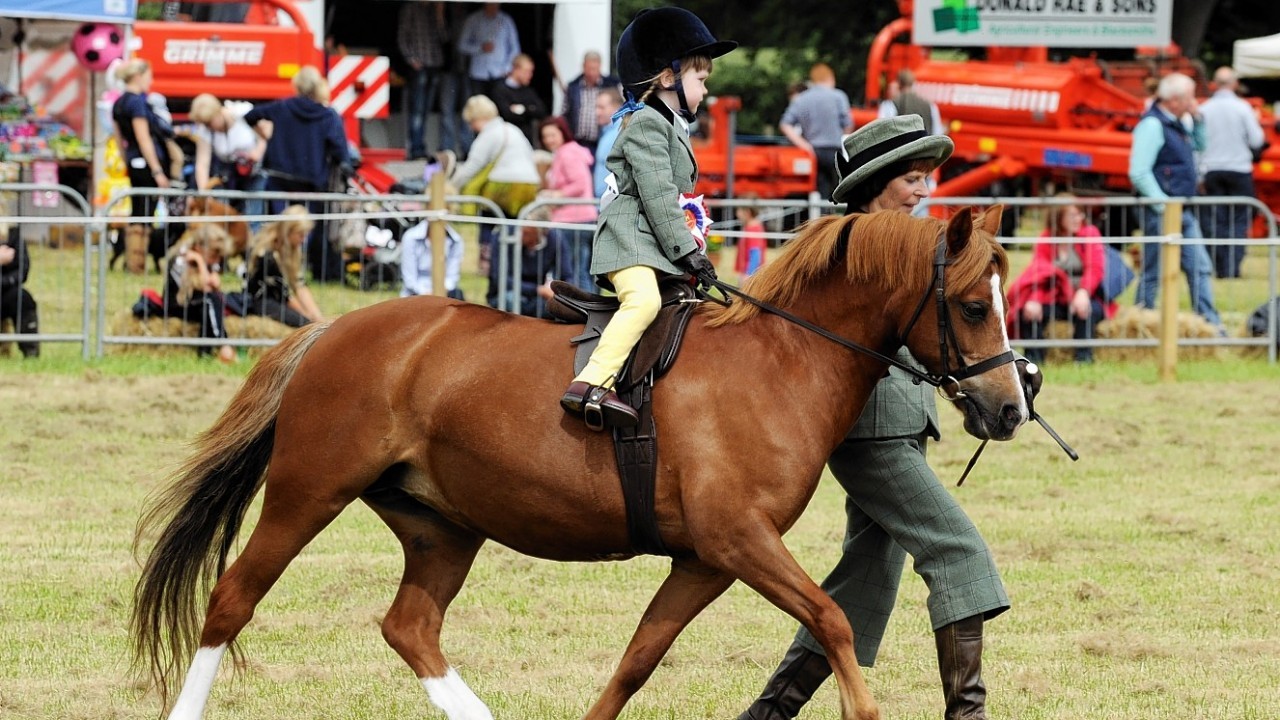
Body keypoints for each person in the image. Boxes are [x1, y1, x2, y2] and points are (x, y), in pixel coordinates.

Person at [738, 115, 1034, 720]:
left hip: (898, 420)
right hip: (873, 430)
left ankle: (768, 715)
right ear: (876, 181)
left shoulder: (899, 243)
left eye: (927, 178)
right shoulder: (864, 248)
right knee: (958, 553)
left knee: (865, 582)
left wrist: (995, 376)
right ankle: (968, 715)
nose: (924, 190)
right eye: (913, 178)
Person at [559, 7, 735, 430]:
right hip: (630, 240)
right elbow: (658, 196)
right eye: (701, 80)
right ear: (669, 77)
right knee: (644, 302)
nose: (706, 90)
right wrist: (687, 252)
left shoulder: (670, 124)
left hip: (652, 243)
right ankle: (590, 382)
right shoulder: (645, 125)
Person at [1128, 72, 1224, 333]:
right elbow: (1139, 171)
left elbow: (1201, 146)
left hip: (1182, 209)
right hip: (1162, 212)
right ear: (1175, 100)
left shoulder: (1180, 123)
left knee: (1199, 267)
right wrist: (1164, 205)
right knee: (1154, 271)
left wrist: (1199, 120)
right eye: (1190, 97)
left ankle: (1212, 325)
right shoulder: (1152, 125)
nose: (1194, 102)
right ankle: (1140, 324)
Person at [244, 66, 350, 283]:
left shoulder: (282, 106)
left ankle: (274, 266)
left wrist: (265, 135)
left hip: (278, 177)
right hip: (310, 181)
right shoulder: (327, 115)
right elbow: (340, 151)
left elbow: (250, 115)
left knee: (278, 225)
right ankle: (301, 270)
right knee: (307, 229)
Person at [1007, 196, 1110, 364]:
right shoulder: (1046, 239)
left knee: (1087, 311)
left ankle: (1084, 360)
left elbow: (1096, 269)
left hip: (1086, 295)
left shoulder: (1089, 233)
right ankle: (1034, 362)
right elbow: (1039, 275)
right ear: (1058, 217)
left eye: (1080, 215)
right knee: (1027, 312)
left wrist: (1083, 292)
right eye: (1073, 215)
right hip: (1056, 296)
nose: (1079, 219)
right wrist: (1034, 300)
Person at [1198, 66, 1266, 279]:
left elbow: (1197, 144)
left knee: (1215, 221)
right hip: (1239, 170)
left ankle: (1217, 266)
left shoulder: (1205, 109)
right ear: (1235, 84)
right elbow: (1257, 139)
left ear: (1214, 84)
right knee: (1239, 220)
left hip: (1211, 169)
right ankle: (1232, 268)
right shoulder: (1243, 108)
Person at [111, 59, 175, 274]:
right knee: (146, 214)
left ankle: (133, 261)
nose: (151, 80)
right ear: (138, 76)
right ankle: (137, 263)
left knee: (137, 212)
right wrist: (157, 170)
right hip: (147, 164)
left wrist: (127, 161)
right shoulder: (137, 102)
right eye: (149, 75)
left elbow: (120, 140)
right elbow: (144, 137)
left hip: (133, 162)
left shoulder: (118, 103)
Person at [185, 93, 268, 230]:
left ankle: (251, 247)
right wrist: (204, 192)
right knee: (222, 216)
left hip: (254, 171)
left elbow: (266, 133)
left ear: (218, 112)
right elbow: (202, 164)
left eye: (210, 122)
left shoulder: (242, 112)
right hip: (228, 174)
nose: (209, 127)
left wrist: (257, 152)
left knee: (252, 215)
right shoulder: (205, 131)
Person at [236, 205, 326, 328]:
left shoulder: (292, 250)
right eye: (301, 235)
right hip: (260, 301)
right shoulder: (267, 253)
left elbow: (300, 286)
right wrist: (310, 319)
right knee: (305, 325)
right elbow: (285, 296)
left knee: (311, 323)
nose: (303, 240)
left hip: (278, 300)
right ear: (288, 231)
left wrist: (319, 317)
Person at [161, 224, 236, 364]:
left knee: (212, 302)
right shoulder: (180, 259)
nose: (217, 261)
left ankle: (205, 352)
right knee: (209, 302)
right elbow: (206, 286)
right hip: (176, 303)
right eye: (214, 256)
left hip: (196, 302)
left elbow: (214, 285)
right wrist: (201, 262)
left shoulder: (210, 259)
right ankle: (223, 344)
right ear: (199, 247)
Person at [537, 115, 597, 291]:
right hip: (575, 219)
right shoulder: (565, 152)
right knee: (578, 269)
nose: (549, 140)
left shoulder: (568, 153)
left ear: (563, 133)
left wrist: (557, 194)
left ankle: (586, 312)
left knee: (576, 271)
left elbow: (580, 183)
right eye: (545, 136)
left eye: (552, 135)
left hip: (574, 220)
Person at [779, 62, 852, 203]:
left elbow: (785, 124)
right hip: (834, 151)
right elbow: (848, 124)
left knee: (819, 193)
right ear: (830, 78)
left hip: (812, 152)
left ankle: (820, 220)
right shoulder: (838, 96)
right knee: (839, 191)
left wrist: (803, 144)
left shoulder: (802, 99)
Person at [486, 205, 565, 317]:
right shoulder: (504, 236)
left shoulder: (555, 239)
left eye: (527, 233)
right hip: (507, 293)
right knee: (511, 300)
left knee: (554, 306)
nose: (521, 234)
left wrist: (558, 291)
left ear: (541, 233)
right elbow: (500, 279)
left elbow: (567, 274)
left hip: (538, 296)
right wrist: (538, 290)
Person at [397, 0, 449, 161]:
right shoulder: (410, 8)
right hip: (419, 65)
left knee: (426, 110)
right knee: (417, 110)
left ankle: (421, 146)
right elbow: (402, 35)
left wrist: (440, 16)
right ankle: (415, 149)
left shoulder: (435, 10)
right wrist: (411, 59)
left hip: (435, 63)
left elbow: (446, 37)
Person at [561, 50, 622, 154]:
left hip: (601, 139)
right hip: (578, 142)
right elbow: (565, 112)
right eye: (589, 69)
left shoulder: (611, 84)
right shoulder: (573, 86)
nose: (591, 73)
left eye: (595, 69)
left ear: (600, 66)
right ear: (583, 67)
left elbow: (621, 108)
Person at [457, 3, 520, 102]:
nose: (493, 6)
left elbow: (515, 47)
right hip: (478, 73)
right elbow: (462, 45)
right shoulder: (473, 19)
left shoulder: (506, 20)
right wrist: (480, 48)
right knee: (478, 105)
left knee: (499, 105)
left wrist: (508, 68)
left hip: (500, 73)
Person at [399, 218, 466, 300]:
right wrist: (427, 294)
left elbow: (452, 277)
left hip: (445, 295)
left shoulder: (456, 240)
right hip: (415, 296)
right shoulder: (410, 237)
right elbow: (410, 280)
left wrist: (440, 292)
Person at [490, 53, 547, 145]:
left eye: (531, 72)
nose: (530, 75)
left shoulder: (529, 91)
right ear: (515, 69)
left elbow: (541, 111)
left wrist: (522, 109)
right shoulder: (500, 90)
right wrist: (529, 110)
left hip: (526, 139)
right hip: (506, 140)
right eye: (526, 71)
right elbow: (507, 114)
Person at [0, 225, 38, 358]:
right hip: (6, 285)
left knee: (23, 298)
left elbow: (23, 269)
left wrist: (5, 281)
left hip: (6, 291)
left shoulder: (13, 235)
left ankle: (31, 352)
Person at [877, 68, 944, 136]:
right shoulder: (930, 105)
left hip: (903, 146)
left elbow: (883, 132)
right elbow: (937, 133)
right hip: (926, 146)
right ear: (913, 83)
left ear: (898, 83)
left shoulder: (890, 104)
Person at [593, 87, 623, 198]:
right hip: (604, 202)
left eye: (601, 107)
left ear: (616, 108)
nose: (597, 112)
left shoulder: (620, 133)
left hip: (613, 203)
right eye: (596, 107)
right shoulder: (607, 132)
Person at [733, 195, 767, 282]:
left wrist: (748, 275)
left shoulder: (753, 229)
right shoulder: (750, 227)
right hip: (747, 273)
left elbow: (755, 253)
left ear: (747, 212)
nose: (737, 214)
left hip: (750, 275)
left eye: (739, 210)